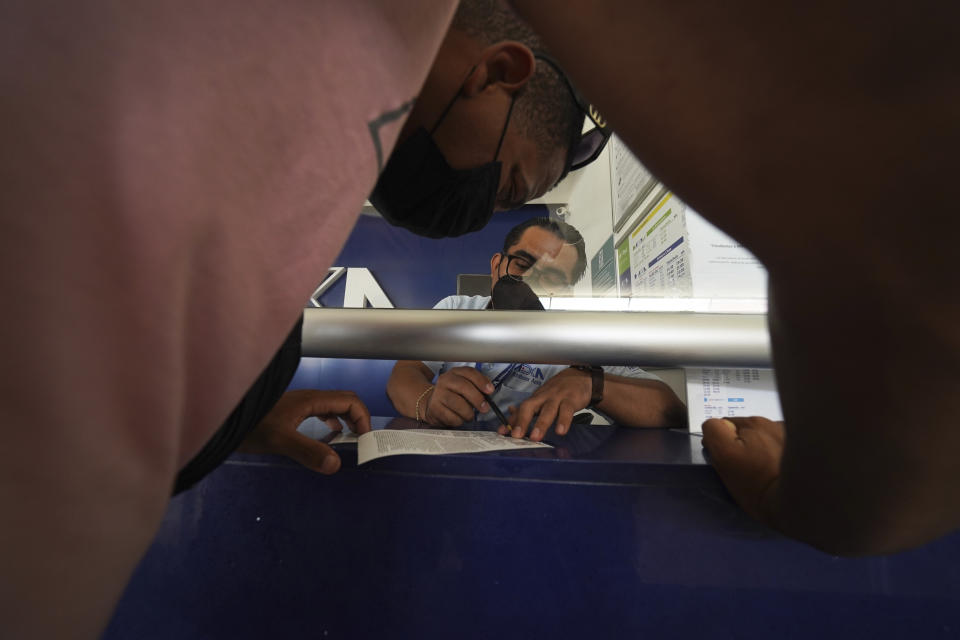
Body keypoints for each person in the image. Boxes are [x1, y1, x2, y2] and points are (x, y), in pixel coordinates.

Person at [0, 2, 592, 637]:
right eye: (506, 187)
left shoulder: (331, 153)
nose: (485, 211)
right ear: (495, 73)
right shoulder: (240, 74)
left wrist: (238, 417)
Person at [387, 217, 686, 436]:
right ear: (496, 266)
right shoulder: (456, 309)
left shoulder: (578, 340)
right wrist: (426, 402)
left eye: (553, 279)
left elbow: (669, 408)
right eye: (521, 263)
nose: (530, 281)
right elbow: (404, 374)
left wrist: (591, 385)